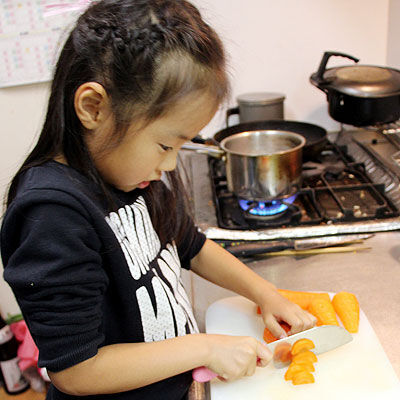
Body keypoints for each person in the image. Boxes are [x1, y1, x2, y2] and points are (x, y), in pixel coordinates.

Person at [0, 1, 316, 399]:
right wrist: (203, 347)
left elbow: (191, 246)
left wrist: (265, 293)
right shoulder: (52, 214)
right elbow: (76, 370)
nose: (169, 164)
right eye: (165, 145)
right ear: (93, 108)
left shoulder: (131, 178)